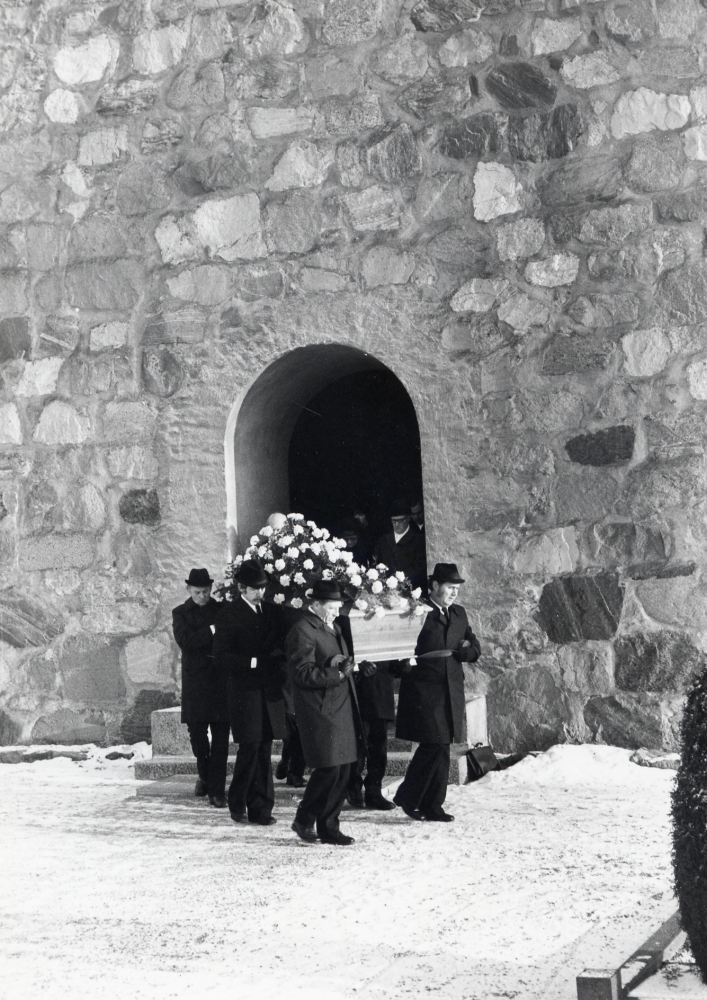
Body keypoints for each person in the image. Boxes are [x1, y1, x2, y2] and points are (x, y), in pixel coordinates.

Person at [286, 580, 375, 846]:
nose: (337, 613)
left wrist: (356, 670)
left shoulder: (331, 627)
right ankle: (307, 819)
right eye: (332, 608)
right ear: (315, 604)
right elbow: (301, 673)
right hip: (321, 708)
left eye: (338, 608)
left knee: (344, 767)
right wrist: (337, 673)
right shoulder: (303, 630)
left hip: (341, 704)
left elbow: (340, 664)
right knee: (329, 767)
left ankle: (326, 826)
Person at [393, 563, 481, 823]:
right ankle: (409, 796)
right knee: (434, 744)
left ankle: (432, 805)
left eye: (456, 588)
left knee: (443, 747)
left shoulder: (459, 614)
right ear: (434, 586)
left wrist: (468, 651)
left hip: (451, 690)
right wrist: (403, 665)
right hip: (423, 690)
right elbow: (400, 648)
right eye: (449, 587)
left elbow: (473, 645)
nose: (454, 593)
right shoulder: (416, 612)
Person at [213, 560, 287, 826]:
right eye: (254, 589)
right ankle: (237, 802)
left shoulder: (269, 611)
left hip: (268, 690)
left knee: (265, 747)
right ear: (241, 587)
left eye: (262, 588)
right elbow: (221, 657)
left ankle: (261, 809)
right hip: (244, 692)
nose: (260, 593)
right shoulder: (228, 614)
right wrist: (254, 662)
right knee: (250, 746)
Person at [172, 568, 229, 808]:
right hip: (195, 683)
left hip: (219, 682)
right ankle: (204, 775)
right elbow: (186, 642)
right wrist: (212, 631)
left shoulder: (221, 610)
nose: (202, 596)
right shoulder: (180, 613)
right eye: (197, 592)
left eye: (206, 592)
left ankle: (217, 790)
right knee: (197, 736)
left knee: (221, 739)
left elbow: (227, 639)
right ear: (189, 590)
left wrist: (207, 635)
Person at [373, 500, 426, 592]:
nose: (396, 524)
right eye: (394, 521)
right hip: (386, 591)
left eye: (400, 520)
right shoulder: (383, 540)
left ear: (408, 518)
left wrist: (398, 581)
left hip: (409, 590)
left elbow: (419, 568)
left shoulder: (418, 540)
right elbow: (377, 562)